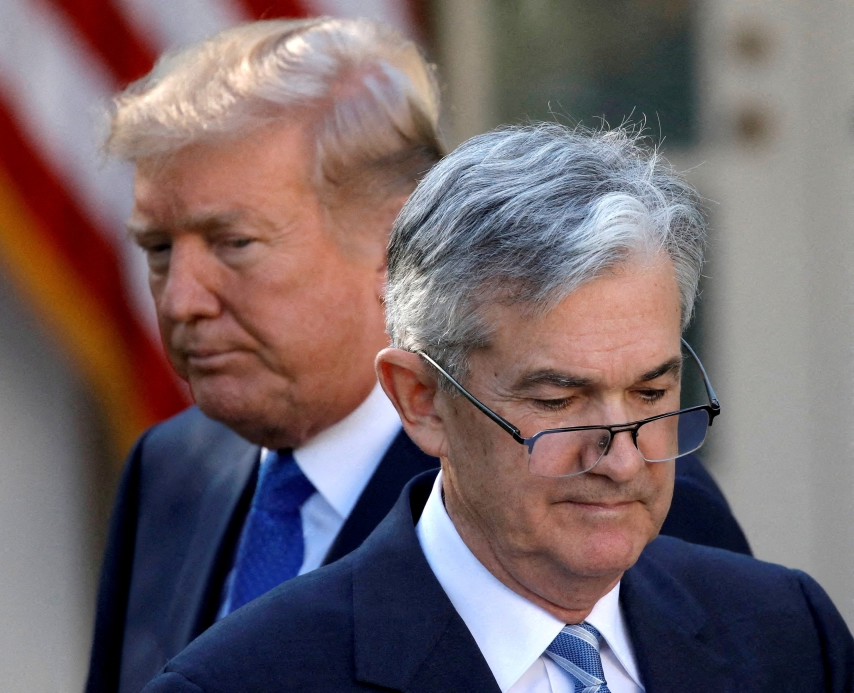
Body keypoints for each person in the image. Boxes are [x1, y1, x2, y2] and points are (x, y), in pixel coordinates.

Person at [87, 19, 749, 693]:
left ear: (395, 239)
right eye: (159, 250)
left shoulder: (610, 487)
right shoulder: (171, 469)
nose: (180, 301)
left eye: (233, 242)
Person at [142, 123, 853, 693]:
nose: (623, 458)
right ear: (421, 401)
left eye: (650, 392)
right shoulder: (244, 678)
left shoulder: (788, 634)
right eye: (558, 399)